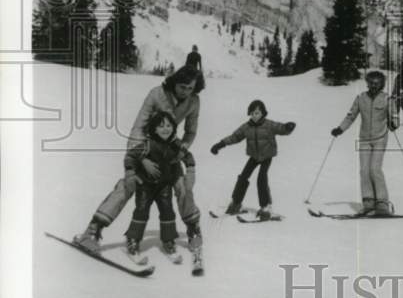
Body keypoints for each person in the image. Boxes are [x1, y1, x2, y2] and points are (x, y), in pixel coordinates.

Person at [73, 65, 204, 252]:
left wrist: (182, 149)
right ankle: (93, 230)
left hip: (170, 150)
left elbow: (191, 131)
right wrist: (141, 158)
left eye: (190, 88)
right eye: (182, 87)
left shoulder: (194, 101)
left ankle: (193, 230)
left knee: (182, 186)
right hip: (146, 147)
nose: (186, 92)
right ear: (174, 82)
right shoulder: (156, 94)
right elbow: (138, 127)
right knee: (128, 183)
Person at [211, 100, 296, 218]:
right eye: (252, 113)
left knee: (262, 178)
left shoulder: (269, 125)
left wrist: (288, 127)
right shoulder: (246, 127)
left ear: (263, 113)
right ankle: (236, 203)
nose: (254, 116)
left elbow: (280, 128)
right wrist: (220, 144)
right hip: (254, 156)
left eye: (257, 113)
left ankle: (266, 207)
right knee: (243, 177)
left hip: (267, 155)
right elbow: (235, 137)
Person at [331, 70, 398, 215]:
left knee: (375, 169)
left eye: (377, 83)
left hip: (380, 138)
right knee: (364, 170)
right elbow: (350, 116)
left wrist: (394, 124)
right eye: (371, 83)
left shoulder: (387, 99)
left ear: (382, 84)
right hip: (364, 139)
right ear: (367, 83)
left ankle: (382, 203)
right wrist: (340, 129)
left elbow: (394, 115)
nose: (374, 86)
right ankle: (368, 202)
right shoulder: (361, 98)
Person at [124, 111, 184, 261]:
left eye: (169, 125)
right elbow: (131, 156)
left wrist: (189, 169)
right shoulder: (147, 144)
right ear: (154, 129)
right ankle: (133, 241)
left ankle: (168, 241)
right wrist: (131, 172)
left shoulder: (174, 145)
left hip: (164, 186)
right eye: (161, 126)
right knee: (142, 210)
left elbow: (184, 156)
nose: (165, 129)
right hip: (145, 185)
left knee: (168, 211)